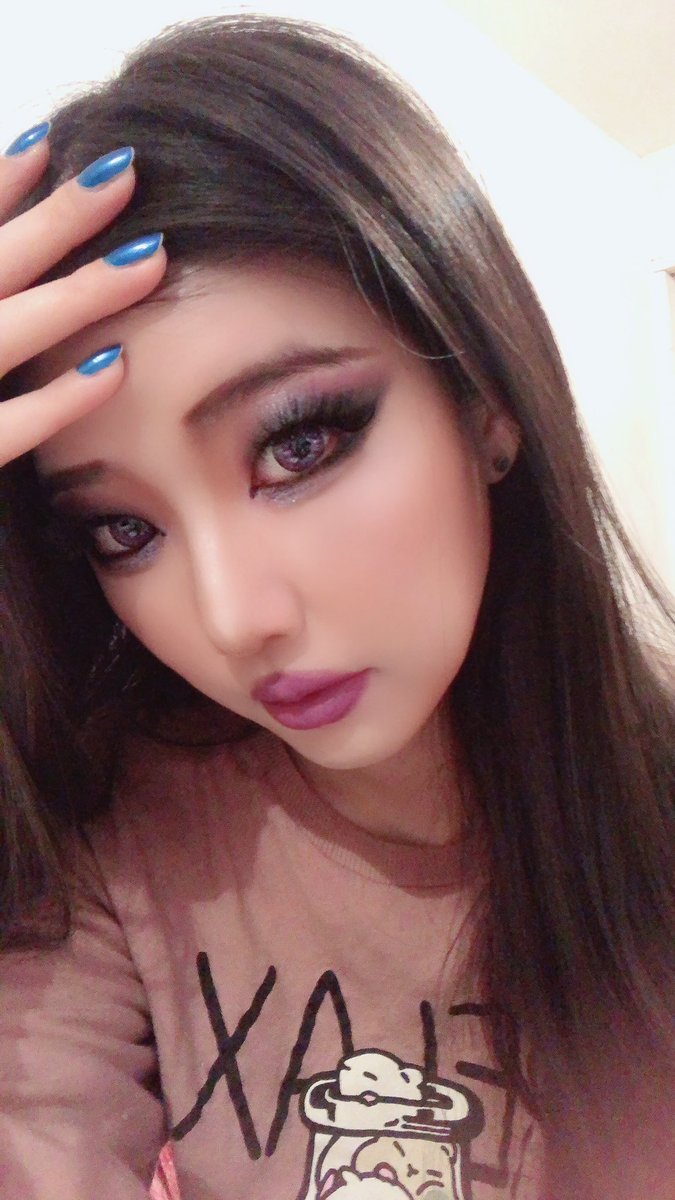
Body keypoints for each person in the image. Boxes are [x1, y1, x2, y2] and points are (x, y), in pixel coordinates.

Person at [0, 13, 673, 1200]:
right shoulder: (118, 839)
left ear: (486, 401)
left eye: (299, 443)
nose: (232, 617)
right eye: (123, 530)